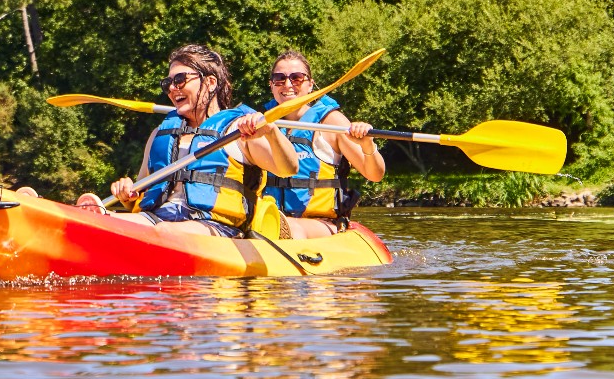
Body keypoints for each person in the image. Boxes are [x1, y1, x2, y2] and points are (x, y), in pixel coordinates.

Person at [74, 44, 297, 235]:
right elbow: (139, 194)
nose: (172, 89)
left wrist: (271, 132)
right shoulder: (160, 134)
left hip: (215, 228)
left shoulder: (237, 132)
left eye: (180, 80)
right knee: (110, 221)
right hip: (157, 219)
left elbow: (288, 168)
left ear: (210, 83)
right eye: (168, 83)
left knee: (164, 232)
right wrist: (126, 194)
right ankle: (91, 219)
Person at [256, 50, 384, 238]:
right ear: (271, 85)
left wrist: (367, 144)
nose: (288, 84)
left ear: (310, 84)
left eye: (297, 78)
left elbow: (375, 175)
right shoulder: (261, 123)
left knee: (291, 228)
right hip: (268, 219)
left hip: (321, 224)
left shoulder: (331, 122)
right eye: (279, 78)